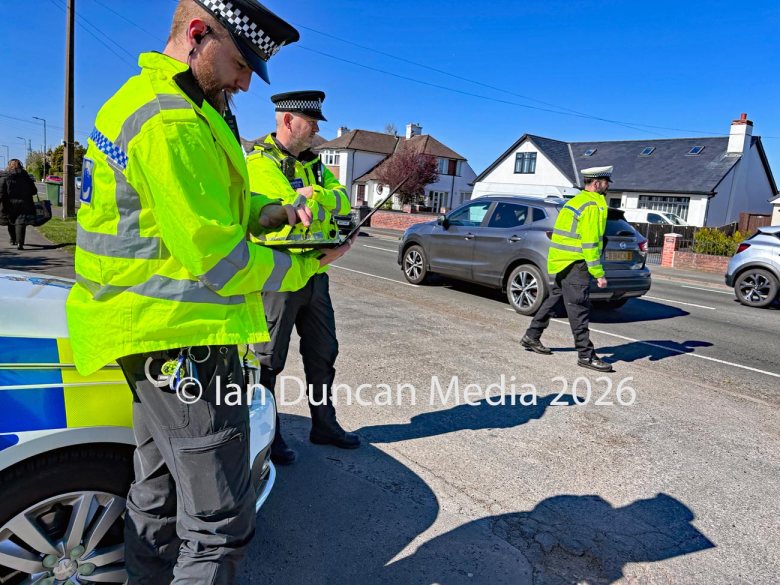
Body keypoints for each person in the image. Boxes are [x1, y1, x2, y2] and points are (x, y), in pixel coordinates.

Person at [65, 2, 353, 582]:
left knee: (158, 495)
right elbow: (219, 262)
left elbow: (207, 212)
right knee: (219, 526)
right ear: (197, 34)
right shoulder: (172, 120)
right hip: (184, 342)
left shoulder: (165, 105)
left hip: (150, 335)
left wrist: (269, 213)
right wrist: (307, 267)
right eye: (243, 63)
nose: (248, 81)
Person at [245, 90, 358, 465]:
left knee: (323, 353)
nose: (315, 132)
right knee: (269, 362)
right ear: (288, 120)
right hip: (278, 276)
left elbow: (343, 200)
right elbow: (288, 214)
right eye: (311, 124)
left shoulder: (314, 164)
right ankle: (268, 436)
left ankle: (323, 425)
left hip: (315, 273)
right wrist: (310, 199)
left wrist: (318, 196)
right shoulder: (260, 162)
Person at [521, 166, 615, 373]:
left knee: (554, 298)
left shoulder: (575, 201)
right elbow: (589, 242)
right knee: (579, 307)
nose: (608, 186)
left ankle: (532, 336)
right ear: (597, 183)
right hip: (576, 263)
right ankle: (585, 355)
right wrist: (598, 273)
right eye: (606, 182)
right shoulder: (591, 205)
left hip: (563, 261)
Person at [0, 159, 37, 250]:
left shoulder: (4, 177)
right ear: (20, 165)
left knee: (10, 222)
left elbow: (1, 192)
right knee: (21, 222)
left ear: (9, 166)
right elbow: (34, 191)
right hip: (24, 204)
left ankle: (13, 239)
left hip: (9, 204)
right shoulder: (26, 177)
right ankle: (20, 243)